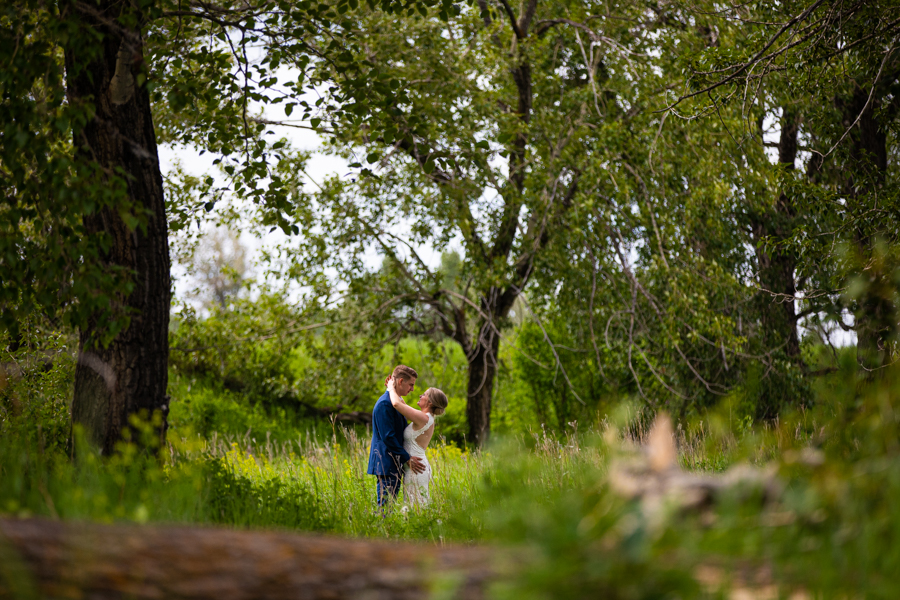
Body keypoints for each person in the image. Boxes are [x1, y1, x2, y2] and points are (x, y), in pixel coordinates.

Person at [367, 365, 426, 508]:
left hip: (393, 462)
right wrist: (407, 458)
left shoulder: (396, 401)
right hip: (386, 462)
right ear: (400, 381)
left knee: (389, 506)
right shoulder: (385, 404)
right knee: (385, 508)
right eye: (411, 384)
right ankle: (381, 530)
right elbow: (388, 437)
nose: (412, 389)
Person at [386, 375, 449, 506]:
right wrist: (396, 388)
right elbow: (402, 404)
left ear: (430, 402)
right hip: (415, 467)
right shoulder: (425, 417)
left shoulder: (424, 418)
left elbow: (397, 404)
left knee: (414, 507)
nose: (420, 396)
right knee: (414, 505)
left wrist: (391, 388)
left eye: (424, 395)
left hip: (416, 468)